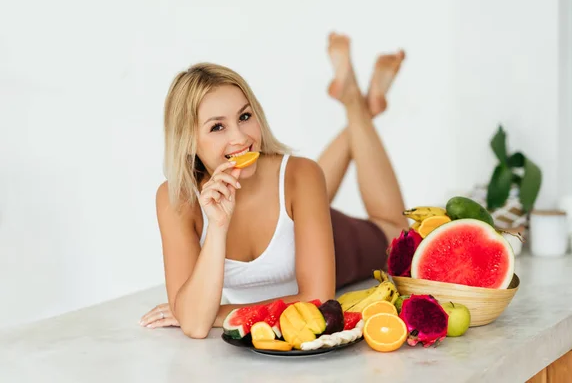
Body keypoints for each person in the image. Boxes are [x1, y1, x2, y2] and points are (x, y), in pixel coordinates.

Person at [139, 33, 409, 338]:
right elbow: (194, 325)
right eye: (217, 126)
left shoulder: (301, 172)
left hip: (344, 240)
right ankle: (360, 106)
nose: (240, 138)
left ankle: (354, 104)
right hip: (297, 208)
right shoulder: (175, 198)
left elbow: (317, 301)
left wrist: (213, 312)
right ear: (188, 141)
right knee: (302, 181)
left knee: (397, 229)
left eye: (244, 116)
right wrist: (216, 226)